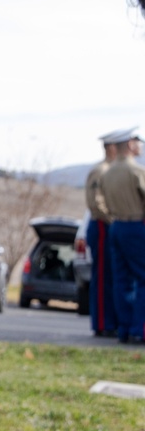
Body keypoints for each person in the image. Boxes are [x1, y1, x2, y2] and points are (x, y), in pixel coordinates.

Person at [100, 131, 145, 345]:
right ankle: (140, 329)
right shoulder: (136, 170)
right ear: (129, 144)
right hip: (136, 225)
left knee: (121, 280)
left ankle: (124, 329)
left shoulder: (107, 173)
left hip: (116, 225)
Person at [83, 133, 119, 336]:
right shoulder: (100, 171)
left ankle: (109, 321)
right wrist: (112, 219)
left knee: (111, 277)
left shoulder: (111, 170)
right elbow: (96, 202)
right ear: (111, 148)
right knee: (103, 277)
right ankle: (103, 323)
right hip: (102, 225)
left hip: (108, 225)